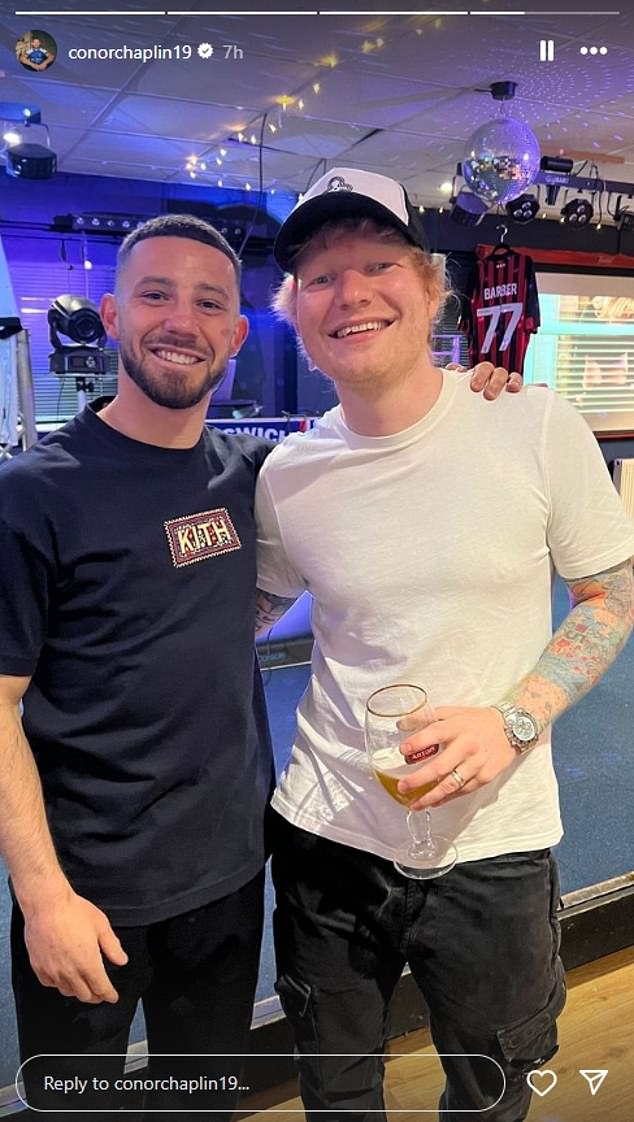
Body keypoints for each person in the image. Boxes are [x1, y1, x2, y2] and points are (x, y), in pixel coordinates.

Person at [0, 212, 515, 1119]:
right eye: (156, 294)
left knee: (197, 1101)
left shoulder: (254, 477)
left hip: (232, 878)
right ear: (114, 315)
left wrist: (472, 396)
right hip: (88, 892)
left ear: (236, 333)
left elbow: (377, 450)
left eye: (209, 302)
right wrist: (41, 897)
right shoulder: (34, 495)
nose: (181, 320)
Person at [254, 167, 634, 1122]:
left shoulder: (532, 421)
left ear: (431, 288)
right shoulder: (288, 474)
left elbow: (608, 599)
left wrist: (514, 718)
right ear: (293, 309)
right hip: (328, 833)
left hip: (495, 846)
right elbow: (242, 613)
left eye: (378, 264)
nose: (351, 295)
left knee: (491, 1091)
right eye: (320, 277)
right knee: (337, 1094)